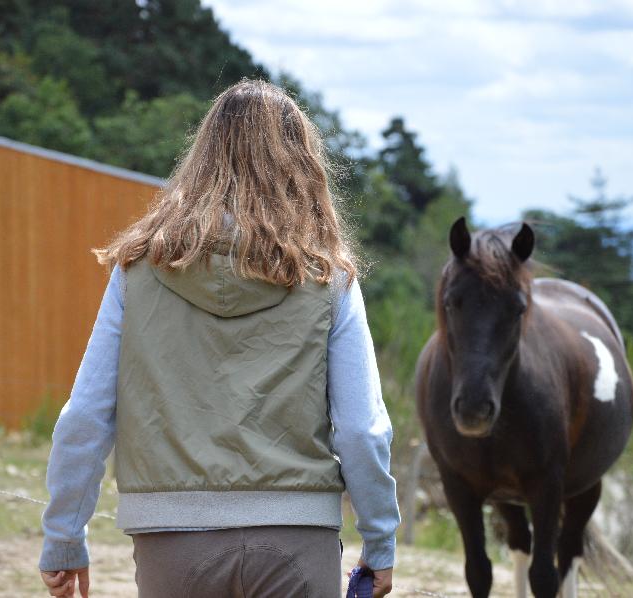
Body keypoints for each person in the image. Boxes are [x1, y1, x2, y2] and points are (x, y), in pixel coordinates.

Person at [38, 79, 399, 598]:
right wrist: (380, 541)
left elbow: (87, 414)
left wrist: (64, 538)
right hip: (298, 540)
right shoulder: (330, 280)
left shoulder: (137, 271)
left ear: (201, 158)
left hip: (172, 543)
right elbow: (362, 430)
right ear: (302, 164)